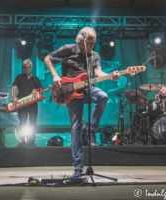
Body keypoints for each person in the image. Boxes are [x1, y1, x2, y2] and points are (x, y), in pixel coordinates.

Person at [44, 27, 120, 176]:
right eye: (89, 43)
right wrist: (55, 76)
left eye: (93, 43)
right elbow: (47, 58)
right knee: (76, 128)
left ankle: (91, 131)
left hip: (87, 89)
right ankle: (78, 167)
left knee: (103, 96)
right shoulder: (68, 49)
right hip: (70, 92)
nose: (91, 46)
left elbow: (98, 72)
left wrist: (111, 76)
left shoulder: (94, 55)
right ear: (81, 40)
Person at [12, 59, 42, 147]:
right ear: (23, 68)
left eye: (29, 67)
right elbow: (14, 87)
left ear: (31, 67)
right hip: (22, 104)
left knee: (33, 123)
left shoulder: (35, 79)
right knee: (22, 122)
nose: (27, 69)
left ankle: (31, 142)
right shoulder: (19, 77)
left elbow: (41, 90)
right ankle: (23, 142)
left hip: (32, 105)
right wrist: (14, 97)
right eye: (25, 68)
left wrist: (35, 90)